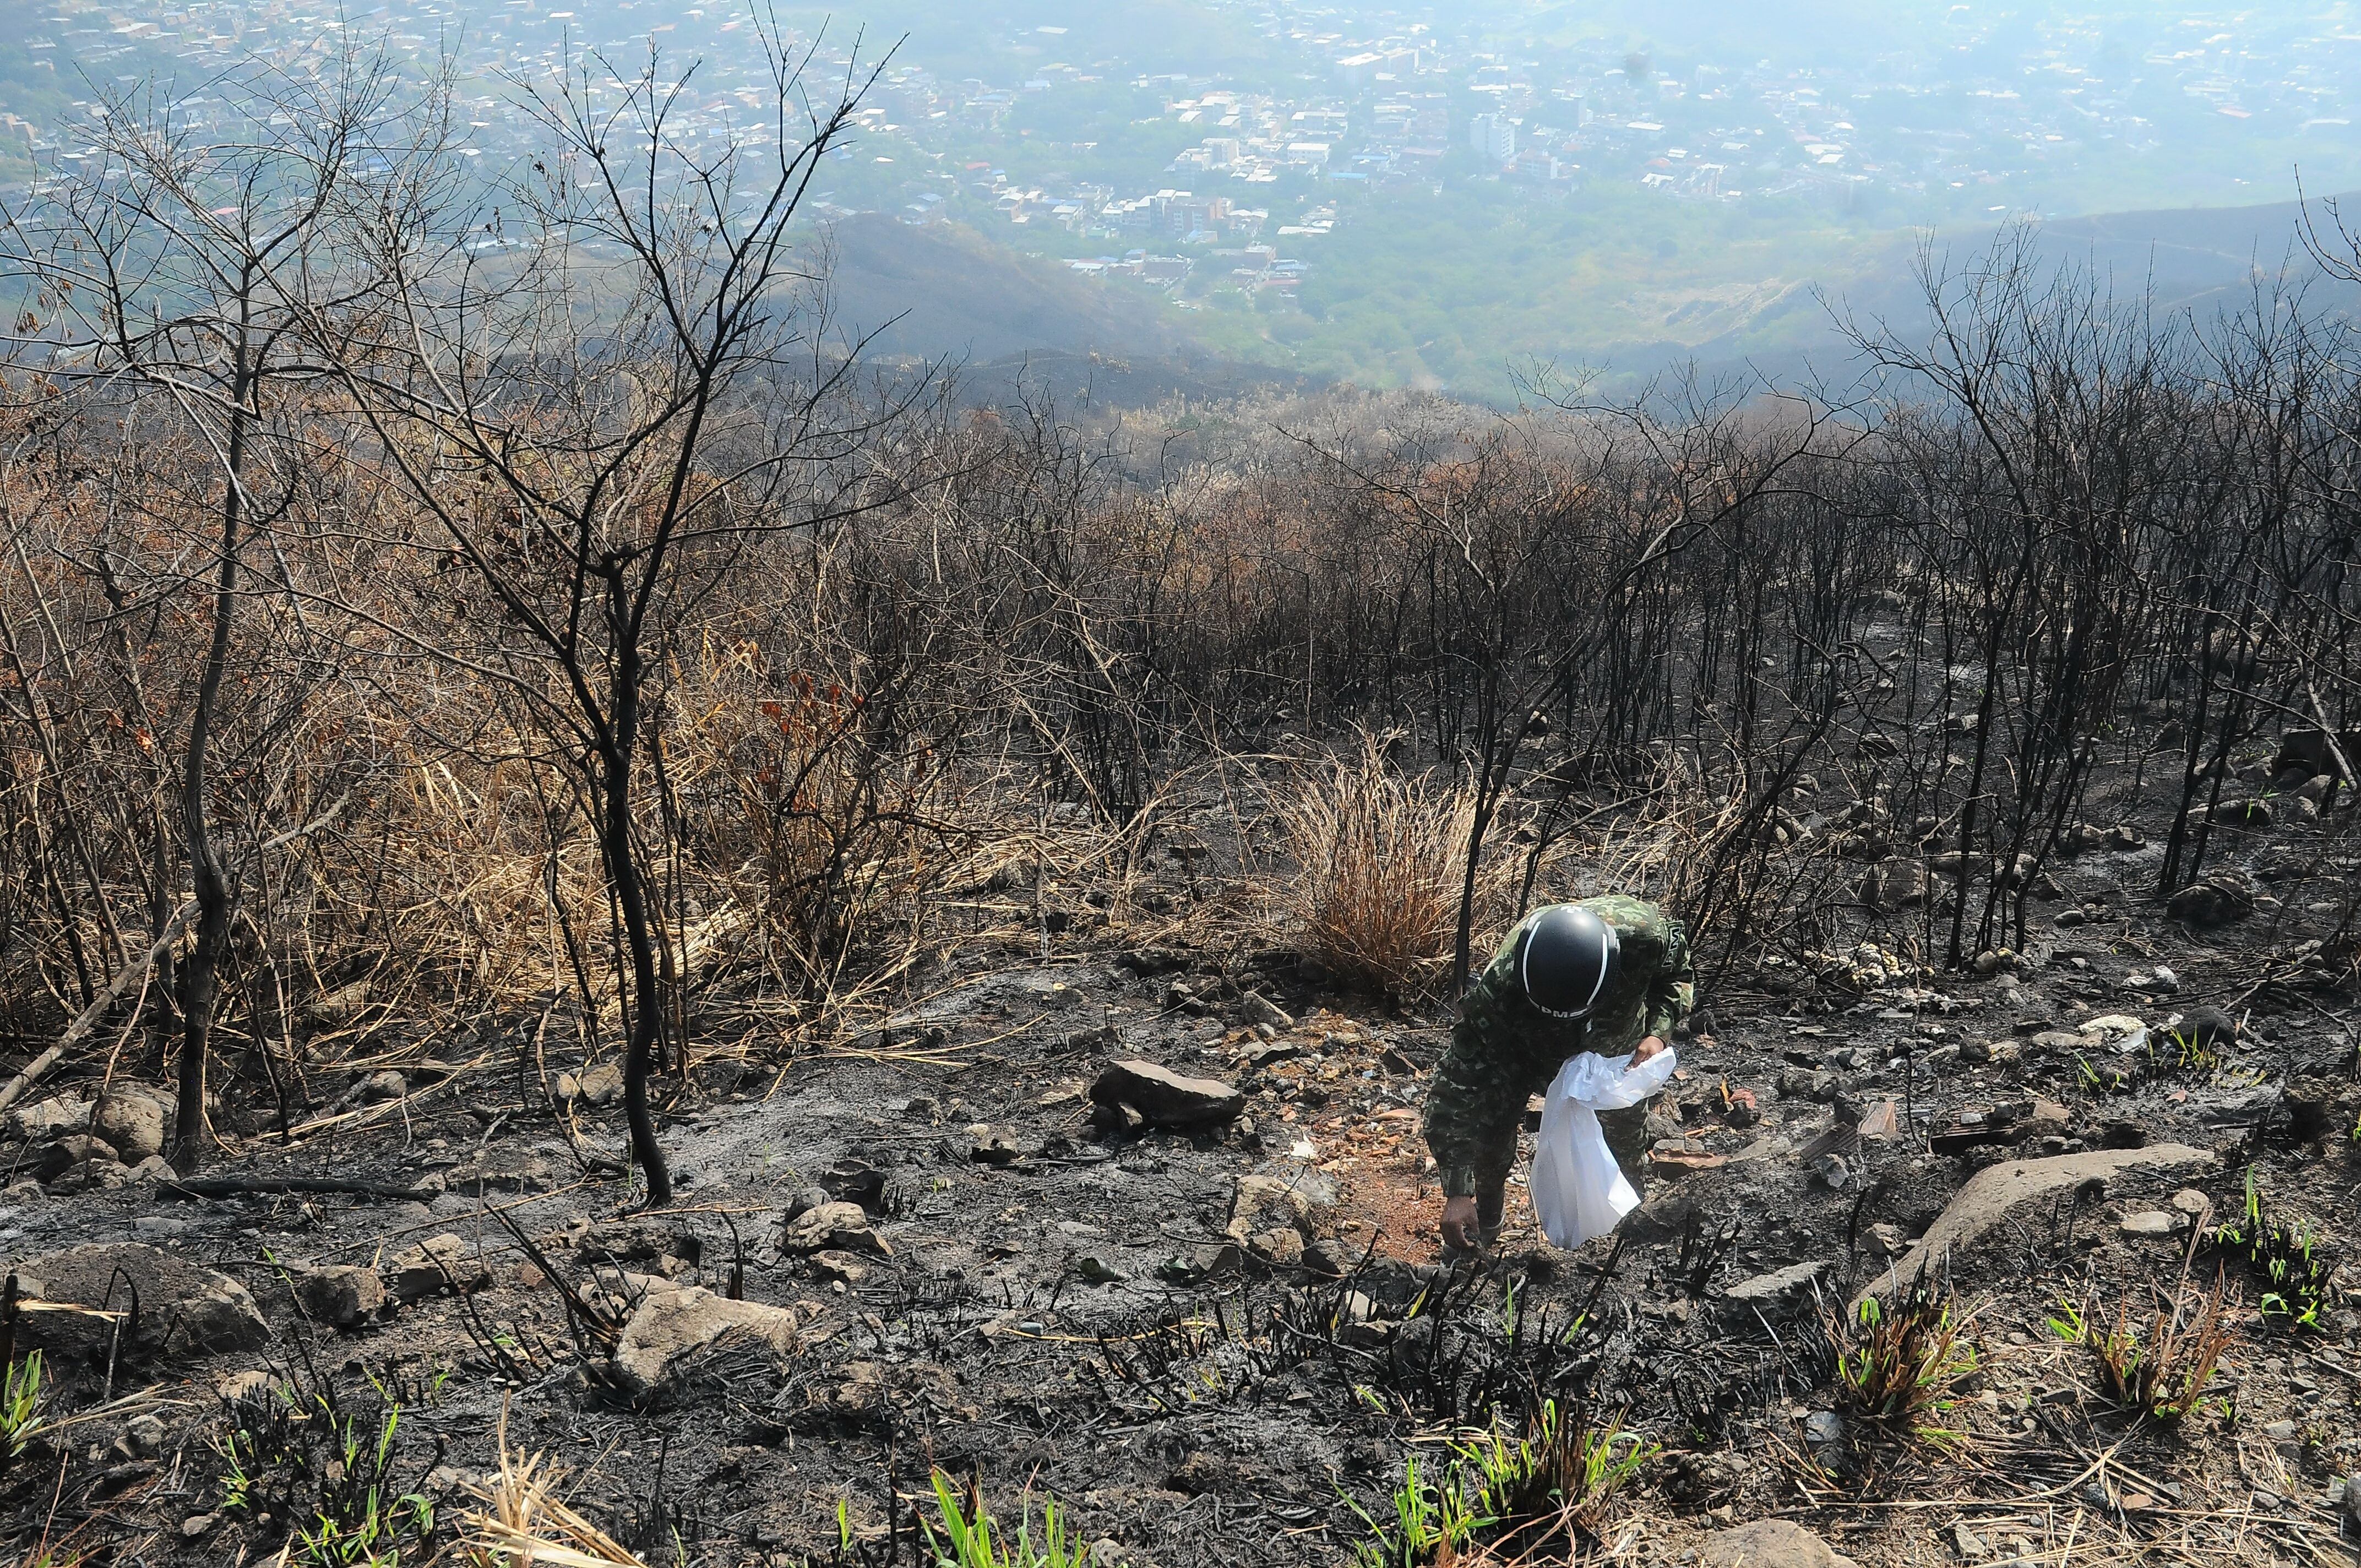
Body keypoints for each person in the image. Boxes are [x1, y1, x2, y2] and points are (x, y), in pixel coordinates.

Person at [1423, 895, 1693, 1254]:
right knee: (1490, 1137)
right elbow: (1455, 1089)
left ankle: (1624, 1241)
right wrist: (1458, 1191)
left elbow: (1676, 976)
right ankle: (1483, 1226)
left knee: (1624, 1144)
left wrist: (1658, 1031)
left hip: (1613, 1048)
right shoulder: (1499, 991)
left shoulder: (1644, 936)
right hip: (1523, 1051)